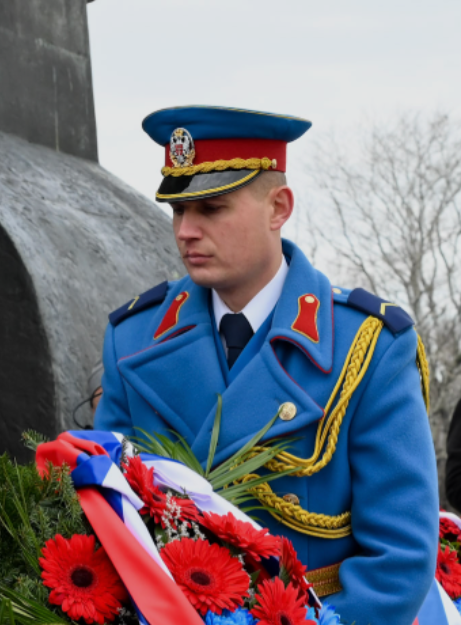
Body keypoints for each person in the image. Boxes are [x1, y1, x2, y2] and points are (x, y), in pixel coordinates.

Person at [94, 106, 438, 624]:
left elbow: (399, 557)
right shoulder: (133, 338)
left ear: (278, 207)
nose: (186, 231)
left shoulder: (367, 345)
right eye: (177, 211)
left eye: (210, 208)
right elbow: (108, 520)